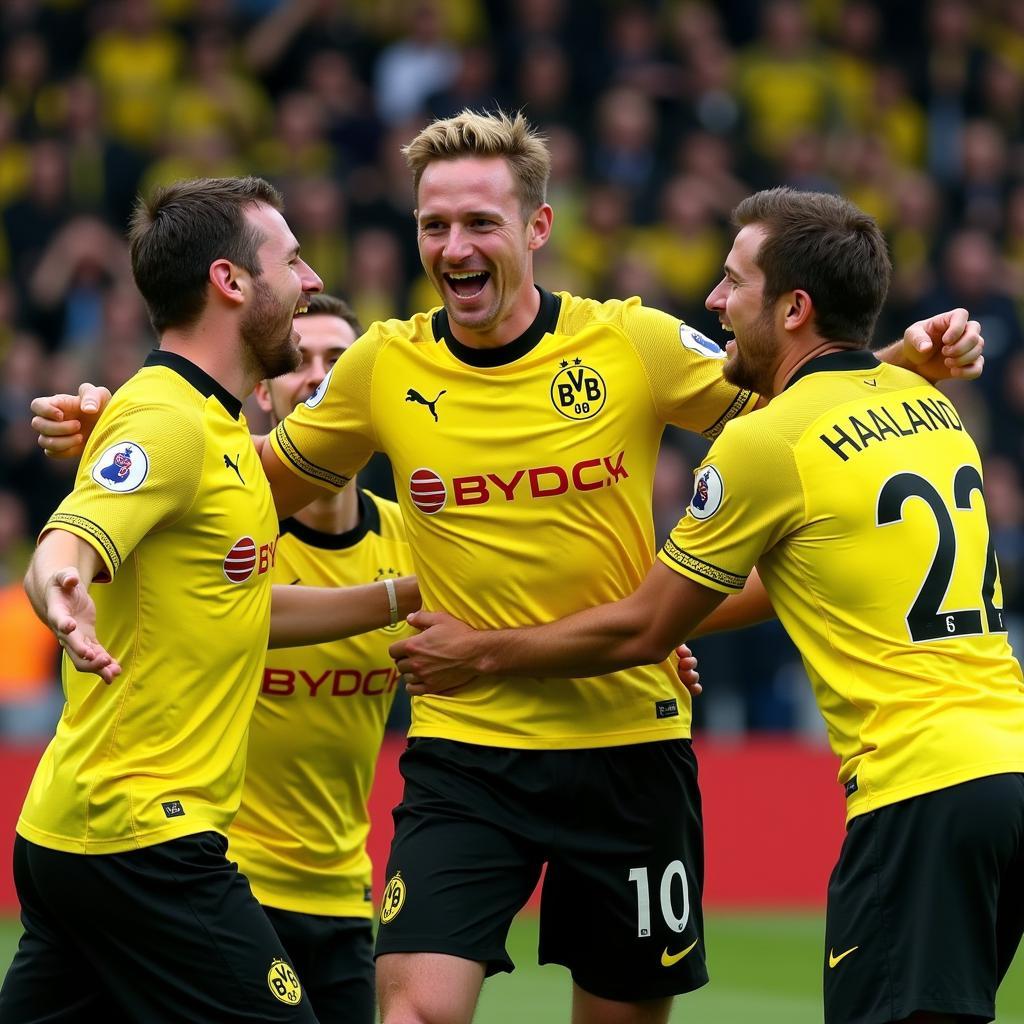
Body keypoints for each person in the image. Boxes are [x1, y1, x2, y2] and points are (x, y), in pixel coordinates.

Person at [31, 112, 986, 1024]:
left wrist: (894, 359)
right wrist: (125, 424)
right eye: (433, 225)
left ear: (537, 227)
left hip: (627, 746)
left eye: (480, 222)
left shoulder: (634, 343)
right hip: (465, 755)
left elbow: (797, 413)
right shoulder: (381, 368)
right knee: (414, 1007)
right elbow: (233, 479)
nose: (454, 247)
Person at [391, 187, 1024, 1024]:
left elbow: (648, 619)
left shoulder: (763, 441)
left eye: (734, 284)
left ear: (795, 308)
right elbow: (793, 580)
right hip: (1005, 763)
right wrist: (660, 631)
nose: (715, 302)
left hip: (919, 790)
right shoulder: (931, 407)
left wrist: (483, 651)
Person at [5, 177, 418, 1024]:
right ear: (231, 282)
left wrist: (411, 591)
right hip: (144, 836)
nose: (308, 283)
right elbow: (70, 537)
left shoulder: (220, 430)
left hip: (76, 829)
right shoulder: (167, 423)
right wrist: (62, 583)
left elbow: (245, 610)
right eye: (294, 261)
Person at [231, 292, 414, 1024]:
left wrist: (644, 657)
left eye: (339, 360)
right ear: (261, 391)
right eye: (299, 359)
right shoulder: (233, 525)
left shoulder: (412, 537)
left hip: (343, 889)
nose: (318, 375)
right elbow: (242, 612)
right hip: (225, 881)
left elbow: (516, 612)